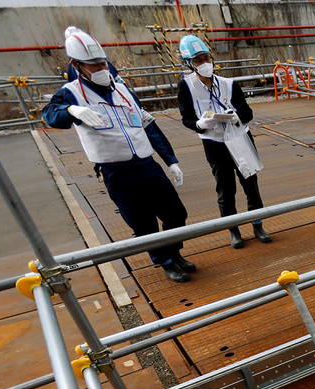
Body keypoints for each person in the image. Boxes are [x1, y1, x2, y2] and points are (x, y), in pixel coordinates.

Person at [42, 26, 195, 283]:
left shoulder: (122, 90)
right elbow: (50, 115)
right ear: (77, 65)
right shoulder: (72, 93)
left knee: (176, 213)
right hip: (117, 172)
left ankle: (174, 251)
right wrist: (72, 111)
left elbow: (148, 126)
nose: (101, 69)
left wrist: (171, 160)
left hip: (147, 164)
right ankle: (166, 261)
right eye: (93, 65)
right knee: (143, 223)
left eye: (103, 63)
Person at [176, 34, 271, 249]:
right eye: (198, 60)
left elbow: (247, 112)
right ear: (189, 64)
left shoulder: (229, 84)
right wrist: (199, 124)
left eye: (206, 58)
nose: (205, 63)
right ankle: (234, 230)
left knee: (251, 185)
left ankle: (258, 225)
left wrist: (237, 117)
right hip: (215, 143)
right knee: (225, 191)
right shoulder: (186, 87)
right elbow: (187, 118)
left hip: (240, 139)